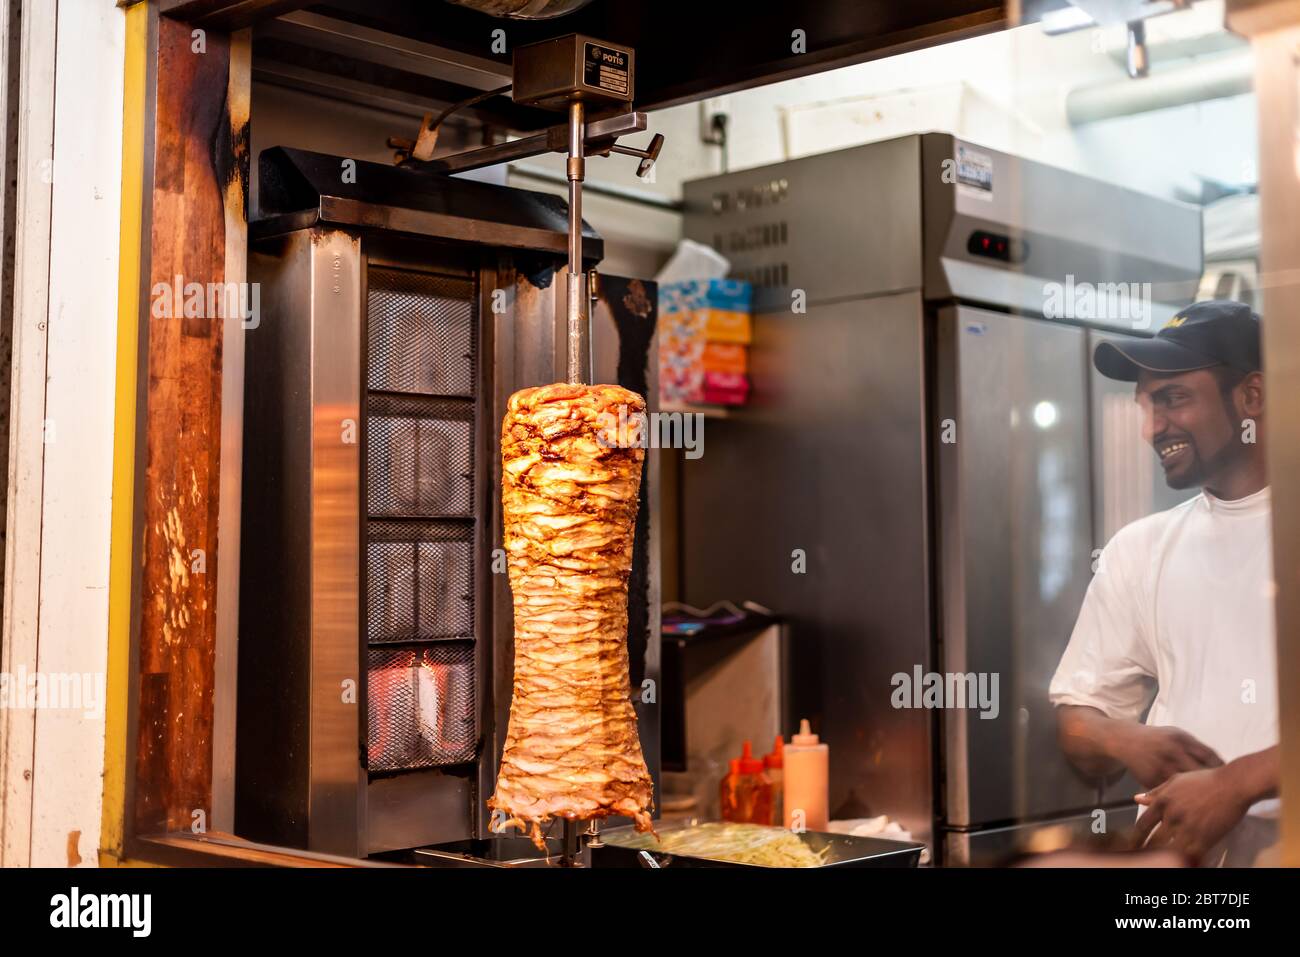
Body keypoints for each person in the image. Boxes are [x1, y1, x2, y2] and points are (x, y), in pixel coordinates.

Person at [1049, 299, 1278, 866]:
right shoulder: (1138, 549)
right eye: (1146, 405)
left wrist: (1238, 783)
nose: (1152, 428)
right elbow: (1079, 717)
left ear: (1252, 396)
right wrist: (1122, 739)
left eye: (1173, 398)